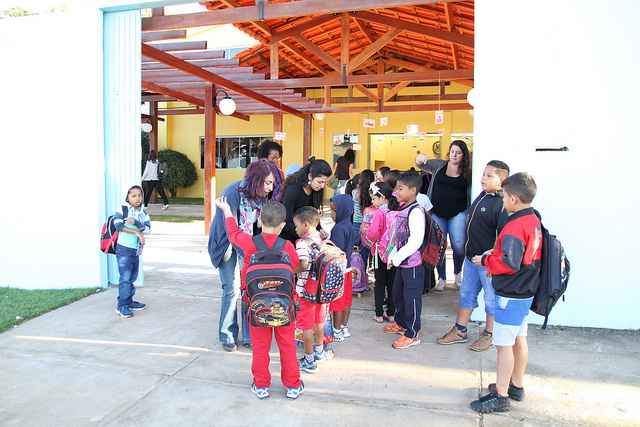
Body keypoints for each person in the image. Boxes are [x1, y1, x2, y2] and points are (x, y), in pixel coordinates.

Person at [215, 197, 304, 400]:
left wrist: (227, 210)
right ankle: (292, 386)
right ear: (282, 226)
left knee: (261, 348)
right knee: (287, 346)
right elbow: (296, 267)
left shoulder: (250, 242)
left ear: (259, 221)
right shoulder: (287, 246)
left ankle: (261, 385)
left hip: (256, 306)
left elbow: (233, 233)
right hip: (285, 307)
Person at [469, 172, 542, 413]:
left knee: (503, 345)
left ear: (513, 199)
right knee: (519, 339)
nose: (502, 201)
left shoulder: (514, 226)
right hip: (525, 291)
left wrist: (486, 261)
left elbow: (509, 263)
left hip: (510, 294)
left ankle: (501, 395)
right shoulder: (533, 219)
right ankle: (516, 385)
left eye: (503, 197)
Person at [437, 161, 510, 352]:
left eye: (489, 176)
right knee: (466, 295)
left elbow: (502, 237)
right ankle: (460, 330)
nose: (483, 178)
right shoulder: (482, 196)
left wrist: (489, 258)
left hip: (487, 265)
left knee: (491, 300)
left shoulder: (502, 204)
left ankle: (490, 334)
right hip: (471, 260)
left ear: (503, 181)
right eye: (483, 174)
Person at [207, 160, 275, 352]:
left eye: (272, 183)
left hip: (246, 244)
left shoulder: (262, 197)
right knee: (232, 289)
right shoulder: (232, 193)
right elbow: (231, 230)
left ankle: (248, 335)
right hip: (227, 244)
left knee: (249, 289)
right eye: (267, 183)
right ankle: (227, 334)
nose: (270, 187)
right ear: (256, 180)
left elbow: (260, 226)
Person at [417, 141, 471, 291]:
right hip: (437, 212)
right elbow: (422, 165)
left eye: (458, 152)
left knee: (459, 245)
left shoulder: (468, 171)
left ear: (463, 155)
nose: (454, 155)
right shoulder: (440, 165)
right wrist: (420, 159)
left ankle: (458, 272)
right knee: (438, 245)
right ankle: (441, 277)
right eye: (452, 151)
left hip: (458, 212)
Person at [383, 172, 427, 349]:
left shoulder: (416, 211)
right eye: (396, 188)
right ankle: (401, 323)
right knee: (398, 295)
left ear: (413, 190)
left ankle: (412, 333)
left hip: (412, 265)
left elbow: (415, 240)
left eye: (401, 188)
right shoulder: (403, 208)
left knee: (412, 299)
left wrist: (398, 256)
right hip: (400, 263)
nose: (396, 192)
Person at [295, 207, 333, 374]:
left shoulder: (302, 243)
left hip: (306, 292)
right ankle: (319, 352)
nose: (295, 229)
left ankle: (309, 361)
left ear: (305, 225)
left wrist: (291, 269)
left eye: (296, 226)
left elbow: (303, 264)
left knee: (306, 327)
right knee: (319, 323)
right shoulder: (321, 240)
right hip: (322, 292)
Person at [112, 185, 151, 318]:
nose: (137, 198)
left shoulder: (143, 213)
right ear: (127, 198)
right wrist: (136, 231)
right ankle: (122, 306)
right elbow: (118, 225)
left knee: (132, 277)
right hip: (123, 249)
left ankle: (129, 301)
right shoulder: (123, 209)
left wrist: (135, 222)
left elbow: (148, 229)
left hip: (135, 250)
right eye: (133, 195)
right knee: (125, 278)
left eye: (139, 195)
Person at [365, 182, 399, 323]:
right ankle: (391, 313)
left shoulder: (379, 213)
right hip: (394, 253)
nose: (372, 201)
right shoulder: (397, 211)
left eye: (374, 198)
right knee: (392, 284)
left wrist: (368, 238)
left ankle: (379, 314)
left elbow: (372, 234)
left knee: (379, 283)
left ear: (382, 197)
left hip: (379, 253)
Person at [281, 159, 332, 243]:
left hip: (305, 237)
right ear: (310, 176)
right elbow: (286, 220)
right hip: (288, 237)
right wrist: (305, 234)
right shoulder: (293, 190)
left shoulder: (317, 191)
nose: (322, 186)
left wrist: (319, 229)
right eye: (320, 182)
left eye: (324, 182)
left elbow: (313, 215)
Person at [328, 194, 354, 342]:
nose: (331, 214)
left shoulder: (338, 228)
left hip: (339, 270)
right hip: (348, 268)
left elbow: (336, 251)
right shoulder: (348, 225)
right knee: (347, 301)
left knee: (337, 301)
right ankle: (343, 327)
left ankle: (336, 330)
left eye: (333, 211)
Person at [355, 169, 375, 268]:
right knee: (368, 247)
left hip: (356, 222)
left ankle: (360, 274)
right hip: (369, 224)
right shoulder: (373, 193)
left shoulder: (356, 192)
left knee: (358, 249)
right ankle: (370, 265)